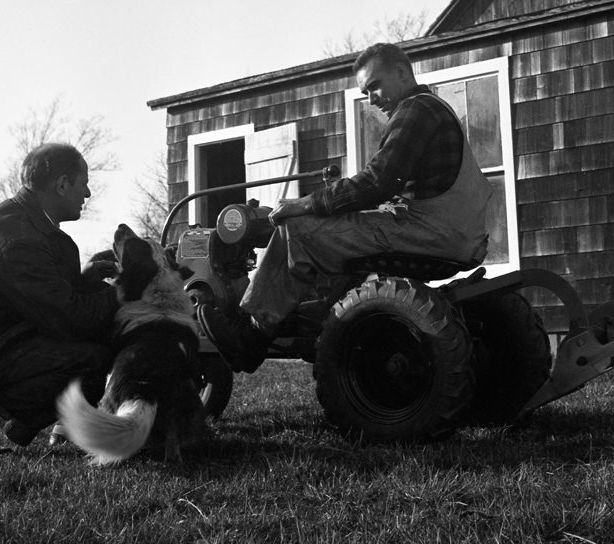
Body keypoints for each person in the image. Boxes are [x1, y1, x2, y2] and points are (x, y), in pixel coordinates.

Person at [201, 42, 492, 372]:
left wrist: (305, 204)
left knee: (297, 227)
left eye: (374, 86)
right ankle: (314, 308)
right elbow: (386, 187)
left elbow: (377, 183)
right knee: (337, 223)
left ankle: (252, 335)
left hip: (433, 232)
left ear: (401, 73)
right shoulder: (437, 109)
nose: (371, 100)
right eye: (365, 92)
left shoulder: (415, 111)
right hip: (457, 233)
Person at [0, 142, 119, 452]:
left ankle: (42, 420)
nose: (88, 194)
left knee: (93, 335)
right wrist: (125, 291)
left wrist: (87, 280)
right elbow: (71, 320)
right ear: (62, 184)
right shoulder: (19, 240)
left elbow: (48, 299)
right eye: (84, 183)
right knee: (91, 359)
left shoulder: (25, 223)